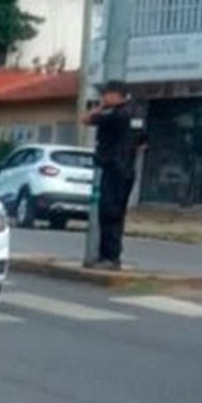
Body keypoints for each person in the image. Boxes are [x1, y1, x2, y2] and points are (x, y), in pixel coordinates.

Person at [82, 81, 146, 270]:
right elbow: (142, 143)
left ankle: (108, 257)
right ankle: (112, 256)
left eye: (105, 95)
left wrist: (100, 108)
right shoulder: (137, 113)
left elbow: (86, 120)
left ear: (115, 95)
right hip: (127, 169)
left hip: (113, 168)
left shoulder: (114, 114)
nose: (103, 98)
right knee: (117, 214)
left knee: (108, 213)